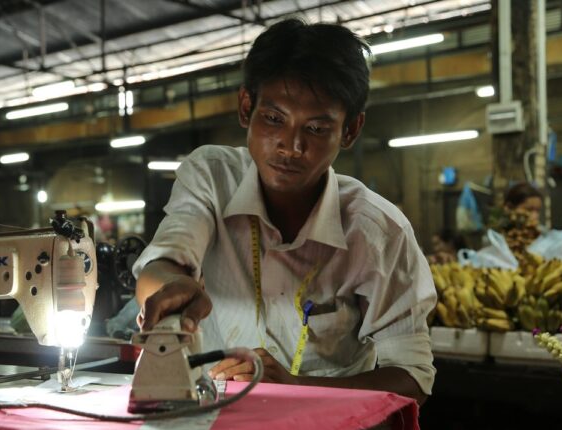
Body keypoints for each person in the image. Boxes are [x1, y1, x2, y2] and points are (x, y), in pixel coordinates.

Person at [132, 18, 436, 404]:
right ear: (246, 107)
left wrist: (296, 388)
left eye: (315, 129)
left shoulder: (377, 232)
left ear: (350, 130)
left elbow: (412, 377)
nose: (291, 146)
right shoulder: (211, 177)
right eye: (274, 119)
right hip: (216, 419)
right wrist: (169, 289)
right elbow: (166, 261)